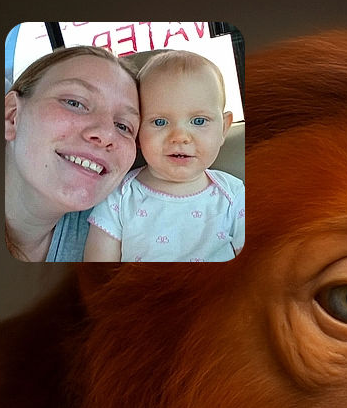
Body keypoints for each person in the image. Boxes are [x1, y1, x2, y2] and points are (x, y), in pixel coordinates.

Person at [84, 49, 244, 261]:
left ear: (223, 129)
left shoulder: (234, 196)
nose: (180, 137)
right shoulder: (119, 197)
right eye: (160, 122)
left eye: (199, 121)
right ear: (137, 133)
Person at [4, 45, 139, 262]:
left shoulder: (121, 228)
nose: (106, 134)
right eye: (75, 103)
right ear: (12, 117)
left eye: (123, 126)